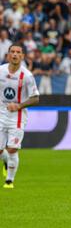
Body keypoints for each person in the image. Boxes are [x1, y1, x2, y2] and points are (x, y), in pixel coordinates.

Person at [0, 44, 40, 189]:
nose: (15, 55)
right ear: (8, 55)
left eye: (18, 52)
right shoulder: (1, 71)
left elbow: (35, 98)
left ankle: (9, 181)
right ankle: (5, 161)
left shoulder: (27, 76)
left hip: (17, 116)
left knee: (12, 149)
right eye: (12, 52)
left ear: (22, 56)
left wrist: (19, 106)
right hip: (1, 114)